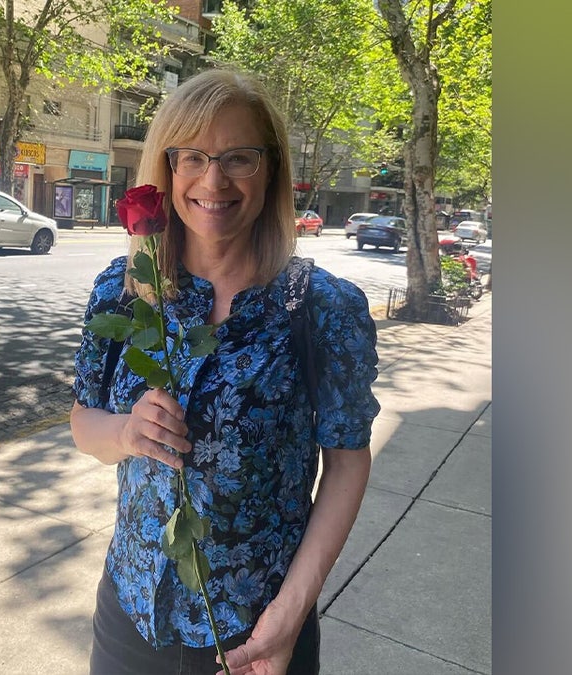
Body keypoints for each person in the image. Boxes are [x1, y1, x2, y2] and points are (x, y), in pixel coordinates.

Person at [70, 69, 380, 675]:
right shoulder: (124, 291)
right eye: (193, 156)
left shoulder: (321, 308)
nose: (213, 180)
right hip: (132, 616)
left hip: (256, 640)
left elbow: (347, 462)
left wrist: (288, 619)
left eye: (239, 158)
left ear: (271, 169)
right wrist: (125, 434)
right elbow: (84, 422)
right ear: (168, 167)